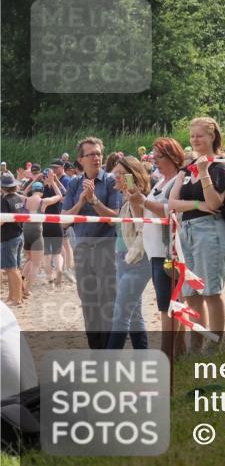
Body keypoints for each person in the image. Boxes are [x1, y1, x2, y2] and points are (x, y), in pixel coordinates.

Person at [168, 117, 225, 349]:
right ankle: (196, 345)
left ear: (212, 137)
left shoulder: (219, 167)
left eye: (199, 135)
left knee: (211, 291)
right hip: (188, 232)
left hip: (212, 231)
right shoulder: (186, 169)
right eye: (192, 136)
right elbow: (172, 203)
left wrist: (204, 173)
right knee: (191, 293)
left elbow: (214, 203)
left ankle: (214, 347)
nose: (194, 139)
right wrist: (195, 205)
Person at [61, 137, 122, 349]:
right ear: (81, 160)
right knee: (89, 304)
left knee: (108, 302)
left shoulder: (112, 181)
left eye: (98, 154)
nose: (96, 158)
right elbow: (65, 220)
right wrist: (81, 201)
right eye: (91, 154)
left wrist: (94, 200)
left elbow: (115, 217)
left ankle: (109, 352)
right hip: (83, 250)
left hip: (107, 249)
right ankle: (96, 351)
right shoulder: (74, 184)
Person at [131, 137, 185, 355]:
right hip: (156, 250)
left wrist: (143, 201)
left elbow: (169, 211)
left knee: (168, 306)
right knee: (169, 304)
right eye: (153, 156)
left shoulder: (177, 180)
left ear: (172, 156)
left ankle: (167, 353)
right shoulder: (160, 182)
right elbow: (143, 217)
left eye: (158, 156)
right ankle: (177, 351)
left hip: (168, 250)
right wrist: (135, 201)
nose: (154, 160)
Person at [107, 156, 152, 350]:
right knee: (134, 316)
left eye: (119, 174)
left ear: (131, 177)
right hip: (124, 260)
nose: (114, 177)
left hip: (137, 261)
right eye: (114, 173)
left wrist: (132, 190)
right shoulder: (127, 199)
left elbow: (142, 228)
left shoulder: (135, 198)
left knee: (121, 316)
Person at [21, 181, 62, 294]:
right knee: (36, 264)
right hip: (37, 232)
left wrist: (33, 181)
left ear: (32, 190)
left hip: (26, 231)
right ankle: (27, 289)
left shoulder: (24, 199)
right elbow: (59, 195)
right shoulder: (43, 202)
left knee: (29, 260)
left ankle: (21, 283)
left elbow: (20, 192)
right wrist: (53, 182)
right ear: (42, 192)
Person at [1, 173, 25, 306]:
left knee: (11, 269)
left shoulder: (4, 200)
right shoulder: (17, 197)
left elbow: (2, 220)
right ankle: (14, 296)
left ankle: (17, 298)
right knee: (15, 268)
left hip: (9, 237)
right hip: (18, 235)